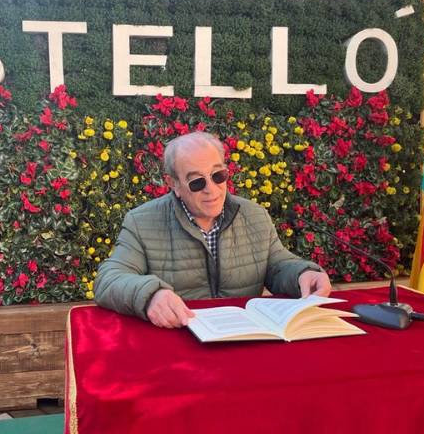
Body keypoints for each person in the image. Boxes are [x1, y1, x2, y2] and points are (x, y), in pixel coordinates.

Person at [94, 131, 331, 328]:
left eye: (218, 175)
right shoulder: (141, 222)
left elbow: (278, 266)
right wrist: (149, 295)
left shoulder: (255, 215)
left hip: (245, 339)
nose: (211, 189)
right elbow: (108, 279)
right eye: (196, 181)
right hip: (180, 344)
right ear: (173, 184)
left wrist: (303, 274)